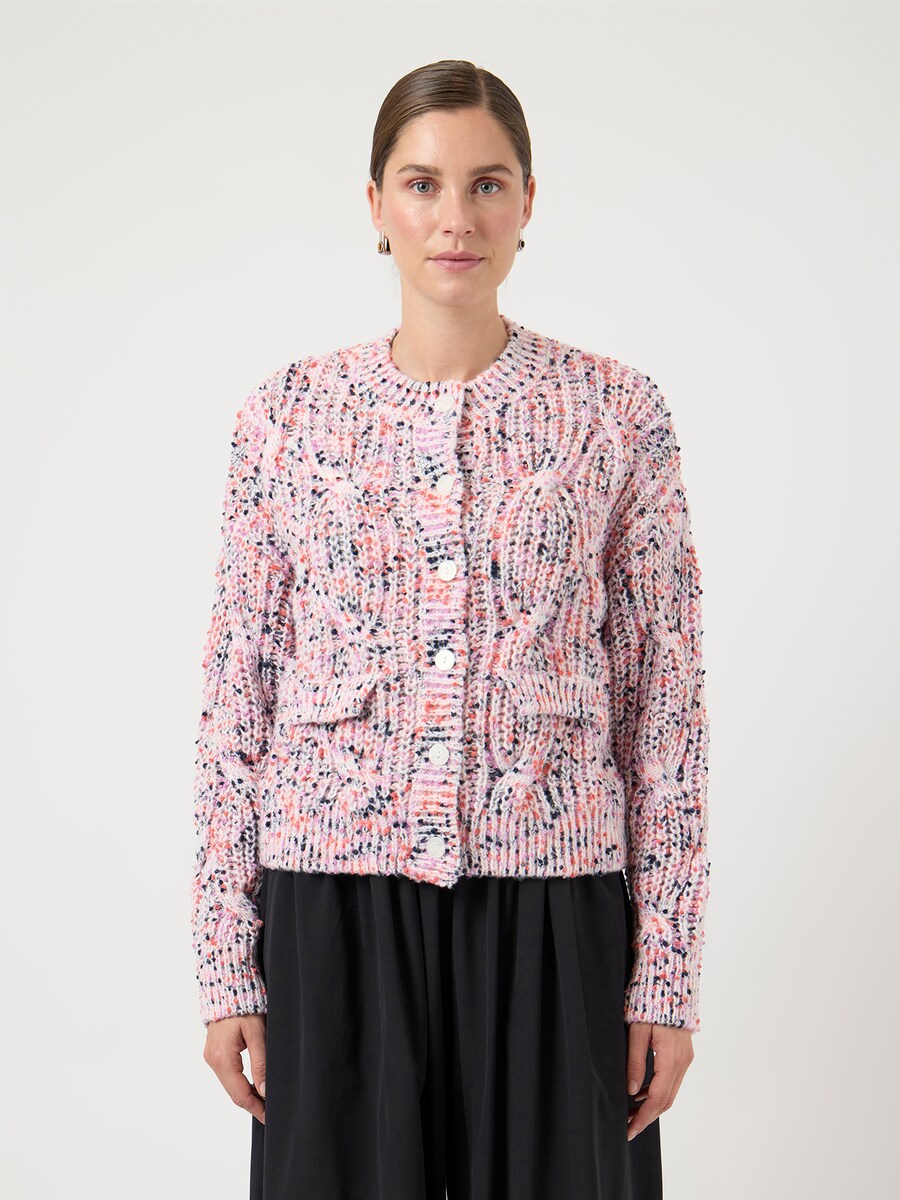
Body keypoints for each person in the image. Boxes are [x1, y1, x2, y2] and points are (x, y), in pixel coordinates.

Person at [190, 58, 711, 1200]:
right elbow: (240, 692)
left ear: (528, 201)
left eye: (488, 183)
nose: (456, 217)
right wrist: (228, 960)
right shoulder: (286, 416)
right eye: (423, 184)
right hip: (331, 906)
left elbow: (663, 707)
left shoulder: (617, 412)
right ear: (376, 203)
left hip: (557, 909)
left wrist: (666, 973)